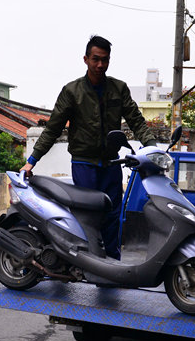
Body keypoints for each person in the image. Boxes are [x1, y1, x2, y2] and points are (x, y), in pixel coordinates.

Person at [20, 35, 158, 259]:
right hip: (84, 164)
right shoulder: (72, 92)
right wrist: (31, 161)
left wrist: (153, 148)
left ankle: (111, 265)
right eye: (95, 59)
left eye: (105, 60)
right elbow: (53, 129)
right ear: (85, 59)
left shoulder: (119, 89)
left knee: (114, 214)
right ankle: (88, 261)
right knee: (88, 216)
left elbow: (137, 121)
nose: (100, 65)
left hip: (112, 163)